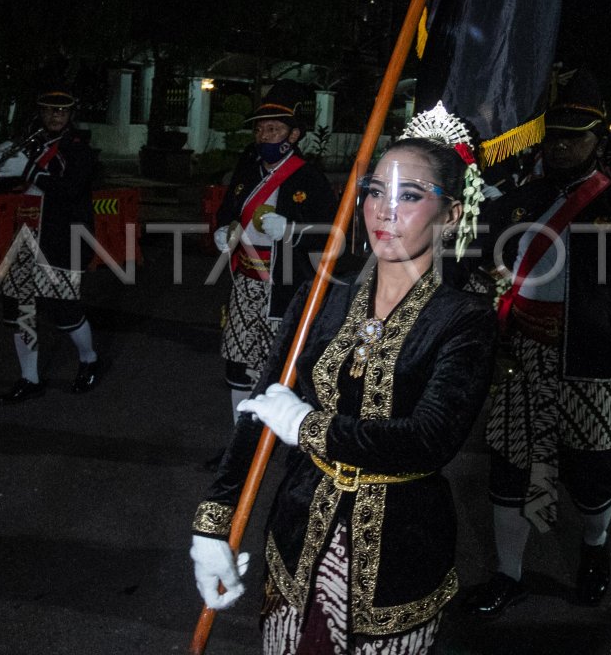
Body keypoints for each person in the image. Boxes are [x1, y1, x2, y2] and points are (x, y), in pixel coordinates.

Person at [189, 105, 497, 653]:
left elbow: (429, 441)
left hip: (401, 550)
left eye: (408, 195)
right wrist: (212, 526)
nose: (383, 211)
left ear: (450, 215)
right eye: (376, 192)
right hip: (298, 530)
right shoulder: (324, 294)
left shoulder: (464, 319)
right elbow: (262, 403)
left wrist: (310, 427)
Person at [456, 69, 611, 615]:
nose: (562, 144)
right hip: (520, 356)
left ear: (600, 140)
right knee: (509, 465)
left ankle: (595, 549)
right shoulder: (521, 200)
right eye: (554, 135)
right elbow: (476, 261)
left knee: (590, 472)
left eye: (575, 136)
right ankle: (509, 574)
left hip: (592, 362)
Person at [207, 82, 338, 467]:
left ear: (294, 135)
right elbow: (232, 206)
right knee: (236, 364)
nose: (264, 136)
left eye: (274, 129)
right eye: (260, 128)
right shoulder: (249, 165)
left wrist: (293, 231)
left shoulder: (308, 178)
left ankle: (284, 446)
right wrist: (225, 226)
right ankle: (239, 448)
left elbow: (334, 235)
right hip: (246, 281)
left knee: (280, 371)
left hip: (286, 288)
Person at [0, 90, 102, 404]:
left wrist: (26, 169)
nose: (56, 116)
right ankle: (30, 378)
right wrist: (1, 167)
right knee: (20, 309)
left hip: (65, 238)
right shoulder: (32, 144)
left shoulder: (79, 150)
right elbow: (16, 183)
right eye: (49, 111)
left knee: (64, 310)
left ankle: (90, 358)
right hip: (27, 235)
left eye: (62, 111)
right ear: (40, 112)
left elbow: (68, 190)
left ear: (70, 115)